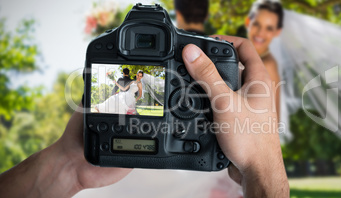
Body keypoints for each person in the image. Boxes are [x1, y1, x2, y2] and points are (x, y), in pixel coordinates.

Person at [0, 36, 289, 197]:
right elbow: (125, 90)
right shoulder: (123, 84)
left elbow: (138, 90)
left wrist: (258, 164)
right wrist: (263, 169)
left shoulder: (137, 83)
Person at [246, 0, 283, 117]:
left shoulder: (268, 66)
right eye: (257, 24)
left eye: (269, 28)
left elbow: (272, 122)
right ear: (248, 22)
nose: (260, 33)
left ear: (277, 32)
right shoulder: (239, 53)